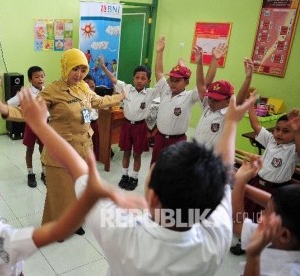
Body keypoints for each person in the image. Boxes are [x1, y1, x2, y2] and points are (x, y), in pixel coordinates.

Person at [0, 88, 146, 276]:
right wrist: (89, 197)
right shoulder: (3, 242)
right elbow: (57, 230)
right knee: (60, 196)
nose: (79, 73)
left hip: (80, 150)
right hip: (61, 153)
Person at [73, 93, 257, 275]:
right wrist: (232, 123)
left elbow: (76, 169)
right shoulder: (217, 235)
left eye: (151, 170)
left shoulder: (122, 231)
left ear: (151, 198)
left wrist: (43, 126)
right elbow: (223, 171)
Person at [0, 48, 125, 235]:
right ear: (65, 67)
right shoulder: (52, 91)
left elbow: (99, 102)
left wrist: (120, 97)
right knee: (60, 192)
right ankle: (58, 227)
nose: (79, 74)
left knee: (79, 189)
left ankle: (75, 222)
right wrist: (4, 109)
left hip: (84, 149)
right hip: (61, 151)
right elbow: (30, 112)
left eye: (82, 70)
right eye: (74, 69)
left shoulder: (83, 87)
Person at [231, 106, 300, 255]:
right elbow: (256, 125)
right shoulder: (270, 140)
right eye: (277, 129)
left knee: (265, 218)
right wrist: (250, 107)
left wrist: (297, 131)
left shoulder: (293, 149)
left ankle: (262, 243)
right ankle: (243, 241)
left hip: (276, 190)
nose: (279, 134)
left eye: (286, 131)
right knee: (249, 213)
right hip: (258, 182)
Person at [232, 154, 300, 275]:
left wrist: (254, 255)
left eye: (267, 211)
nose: (262, 213)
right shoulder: (276, 233)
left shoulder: (290, 272)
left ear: (284, 235)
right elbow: (238, 223)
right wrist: (240, 182)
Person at [99, 55, 158, 190]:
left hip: (140, 127)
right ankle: (125, 175)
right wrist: (103, 66)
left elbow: (162, 84)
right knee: (126, 152)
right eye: (137, 77)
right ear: (133, 78)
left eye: (143, 78)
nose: (139, 81)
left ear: (148, 81)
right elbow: (113, 79)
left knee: (137, 154)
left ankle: (134, 177)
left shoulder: (150, 93)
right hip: (127, 125)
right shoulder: (127, 88)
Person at [150, 36, 206, 165]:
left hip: (176, 141)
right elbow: (159, 72)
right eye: (172, 80)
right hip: (159, 138)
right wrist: (160, 52)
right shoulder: (166, 89)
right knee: (155, 167)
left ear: (186, 82)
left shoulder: (190, 96)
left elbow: (202, 85)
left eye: (178, 81)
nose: (173, 83)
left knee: (174, 172)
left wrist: (199, 63)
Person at [195, 52, 254, 148]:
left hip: (212, 159)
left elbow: (239, 102)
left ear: (228, 101)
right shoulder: (207, 106)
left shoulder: (228, 115)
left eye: (216, 100)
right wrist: (200, 63)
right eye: (210, 98)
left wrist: (248, 78)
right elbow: (201, 85)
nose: (211, 102)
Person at [7, 66, 46, 187]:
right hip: (31, 125)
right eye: (36, 77)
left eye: (42, 76)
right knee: (30, 149)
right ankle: (30, 173)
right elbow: (9, 103)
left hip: (45, 126)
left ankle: (44, 173)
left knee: (44, 150)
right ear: (30, 79)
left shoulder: (47, 91)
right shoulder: (25, 93)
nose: (40, 79)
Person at [83, 74, 101, 160]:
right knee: (85, 149)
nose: (91, 89)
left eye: (92, 86)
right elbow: (85, 117)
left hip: (95, 125)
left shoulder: (96, 97)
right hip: (85, 126)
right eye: (88, 87)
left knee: (94, 147)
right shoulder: (81, 99)